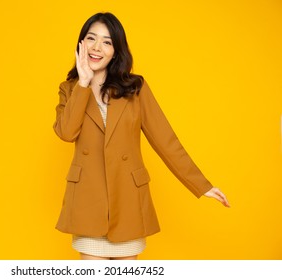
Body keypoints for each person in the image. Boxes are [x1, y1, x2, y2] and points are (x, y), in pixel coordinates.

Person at [53, 12, 230, 260]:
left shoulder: (135, 88)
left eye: (106, 41)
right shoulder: (70, 88)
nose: (96, 47)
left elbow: (166, 140)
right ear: (81, 44)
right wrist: (83, 84)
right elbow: (66, 132)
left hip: (127, 201)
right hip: (88, 202)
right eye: (91, 39)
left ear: (116, 50)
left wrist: (202, 185)